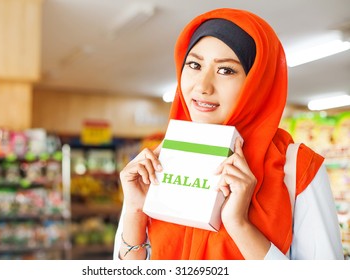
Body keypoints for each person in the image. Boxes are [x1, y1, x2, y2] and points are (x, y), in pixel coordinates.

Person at [113, 8, 344, 260]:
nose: (202, 86)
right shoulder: (158, 162)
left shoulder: (297, 168)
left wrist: (239, 224)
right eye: (194, 64)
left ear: (257, 82)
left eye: (226, 70)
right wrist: (135, 211)